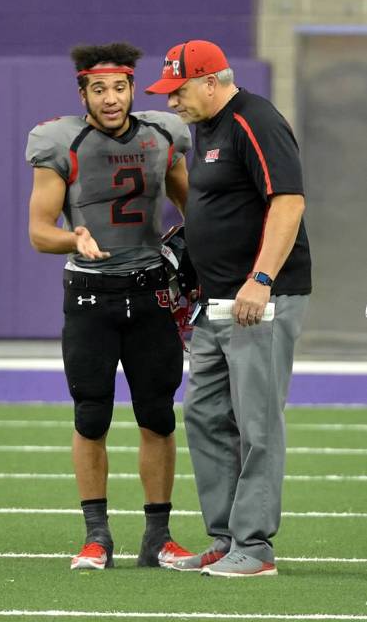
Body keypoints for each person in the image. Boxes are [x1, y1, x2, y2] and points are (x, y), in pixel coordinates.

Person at [146, 40, 311, 577]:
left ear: (211, 81)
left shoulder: (254, 120)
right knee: (205, 415)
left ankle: (256, 548)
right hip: (216, 302)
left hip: (259, 299)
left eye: (178, 90)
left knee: (256, 422)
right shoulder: (207, 127)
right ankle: (226, 537)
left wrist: (261, 279)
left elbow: (288, 201)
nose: (172, 101)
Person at [26, 42, 194, 571]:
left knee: (158, 416)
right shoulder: (61, 140)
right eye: (99, 89)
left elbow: (191, 205)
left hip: (150, 292)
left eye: (119, 87)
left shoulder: (163, 135)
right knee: (91, 415)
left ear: (132, 88)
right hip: (90, 295)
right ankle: (96, 536)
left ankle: (158, 537)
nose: (111, 98)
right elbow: (39, 232)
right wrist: (73, 237)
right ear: (83, 94)